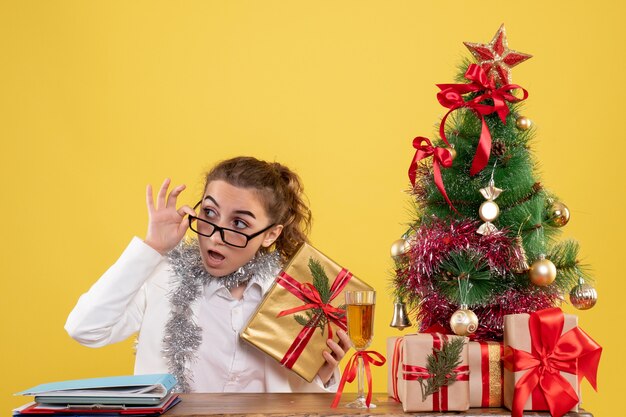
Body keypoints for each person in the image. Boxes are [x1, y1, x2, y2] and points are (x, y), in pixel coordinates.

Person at [65, 156, 350, 393]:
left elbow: (294, 401)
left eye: (238, 222)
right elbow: (86, 329)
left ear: (271, 234)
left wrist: (320, 374)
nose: (215, 236)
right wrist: (152, 248)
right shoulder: (163, 277)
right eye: (210, 213)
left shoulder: (293, 298)